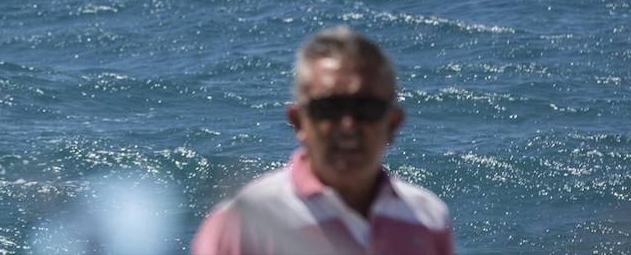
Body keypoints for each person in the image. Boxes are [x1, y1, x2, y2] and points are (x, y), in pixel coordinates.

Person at [192, 27, 453, 255]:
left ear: (393, 124)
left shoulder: (427, 218)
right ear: (298, 121)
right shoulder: (242, 224)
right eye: (328, 108)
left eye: (366, 109)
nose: (348, 126)